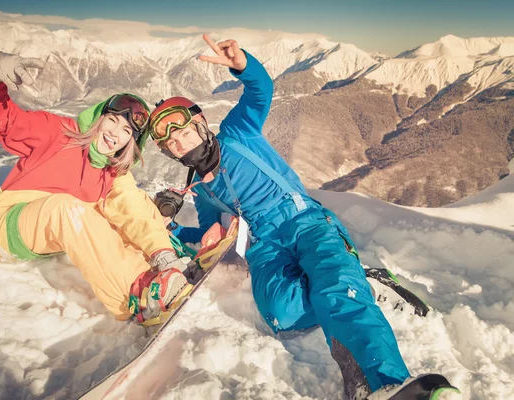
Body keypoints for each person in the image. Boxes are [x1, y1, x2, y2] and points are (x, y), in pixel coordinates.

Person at [147, 34, 458, 399]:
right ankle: (363, 281)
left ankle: (387, 383)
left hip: (303, 220)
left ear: (200, 124)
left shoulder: (237, 133)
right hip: (264, 244)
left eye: (182, 132)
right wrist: (168, 228)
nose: (179, 143)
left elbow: (260, 91)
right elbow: (208, 232)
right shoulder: (200, 188)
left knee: (335, 290)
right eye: (170, 143)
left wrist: (241, 62)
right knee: (283, 316)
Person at [0, 50, 191, 326]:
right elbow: (1, 122)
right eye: (113, 120)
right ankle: (140, 293)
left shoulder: (112, 172)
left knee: (129, 208)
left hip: (53, 232)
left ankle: (164, 262)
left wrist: (161, 252)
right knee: (68, 209)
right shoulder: (58, 133)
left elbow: (131, 209)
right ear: (99, 118)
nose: (115, 133)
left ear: (130, 143)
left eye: (126, 132)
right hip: (8, 224)